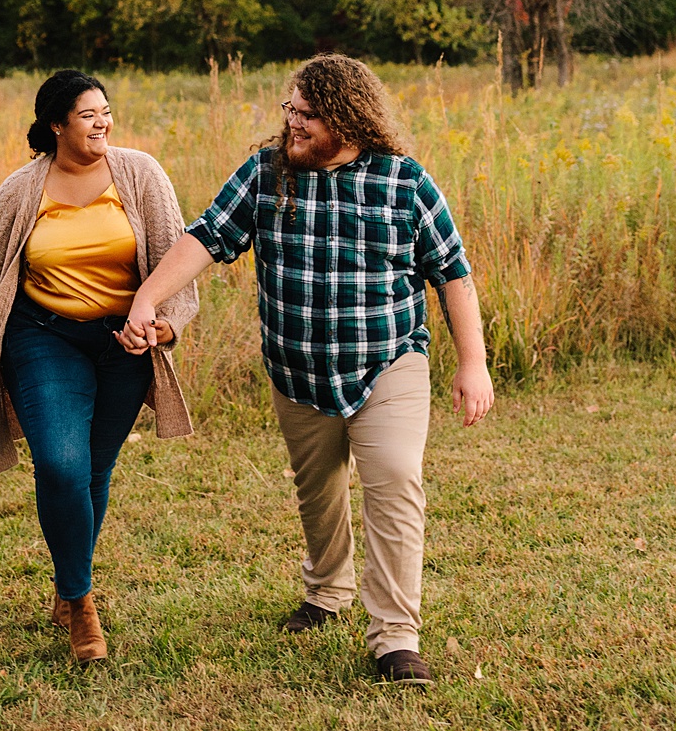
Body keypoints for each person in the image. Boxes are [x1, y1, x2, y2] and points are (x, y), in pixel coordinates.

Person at [120, 52, 493, 685]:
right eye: (290, 110)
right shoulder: (267, 174)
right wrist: (148, 298)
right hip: (296, 368)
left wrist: (473, 363)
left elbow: (452, 273)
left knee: (396, 480)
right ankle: (327, 590)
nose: (293, 125)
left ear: (349, 119)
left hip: (388, 361)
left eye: (308, 116)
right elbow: (206, 237)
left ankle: (396, 638)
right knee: (317, 489)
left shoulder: (403, 182)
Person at [0, 69, 198, 666]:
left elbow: (175, 257)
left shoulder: (140, 174)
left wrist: (164, 323)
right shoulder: (20, 190)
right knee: (60, 463)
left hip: (122, 344)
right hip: (43, 338)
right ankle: (81, 602)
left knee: (93, 470)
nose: (103, 122)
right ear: (56, 125)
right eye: (87, 115)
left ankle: (67, 580)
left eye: (106, 111)